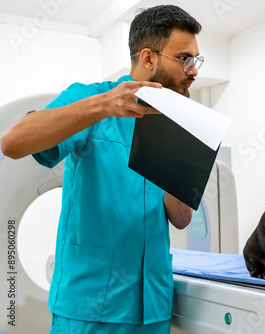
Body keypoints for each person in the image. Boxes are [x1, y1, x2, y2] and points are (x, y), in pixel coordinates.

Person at [1, 5, 203, 333]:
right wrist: (103, 106)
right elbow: (13, 142)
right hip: (89, 307)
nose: (193, 70)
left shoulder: (180, 127)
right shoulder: (92, 99)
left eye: (197, 60)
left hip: (153, 307)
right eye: (185, 58)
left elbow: (181, 218)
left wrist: (187, 155)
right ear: (149, 58)